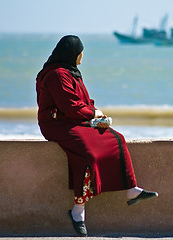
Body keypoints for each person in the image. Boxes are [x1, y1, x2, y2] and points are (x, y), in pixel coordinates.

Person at [36, 35, 158, 236]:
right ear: (72, 54)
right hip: (56, 124)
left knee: (116, 138)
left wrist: (95, 112)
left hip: (72, 120)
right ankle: (78, 210)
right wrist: (94, 114)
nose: (82, 56)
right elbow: (69, 106)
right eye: (80, 52)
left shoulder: (70, 72)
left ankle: (131, 189)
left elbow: (82, 100)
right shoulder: (57, 74)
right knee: (87, 153)